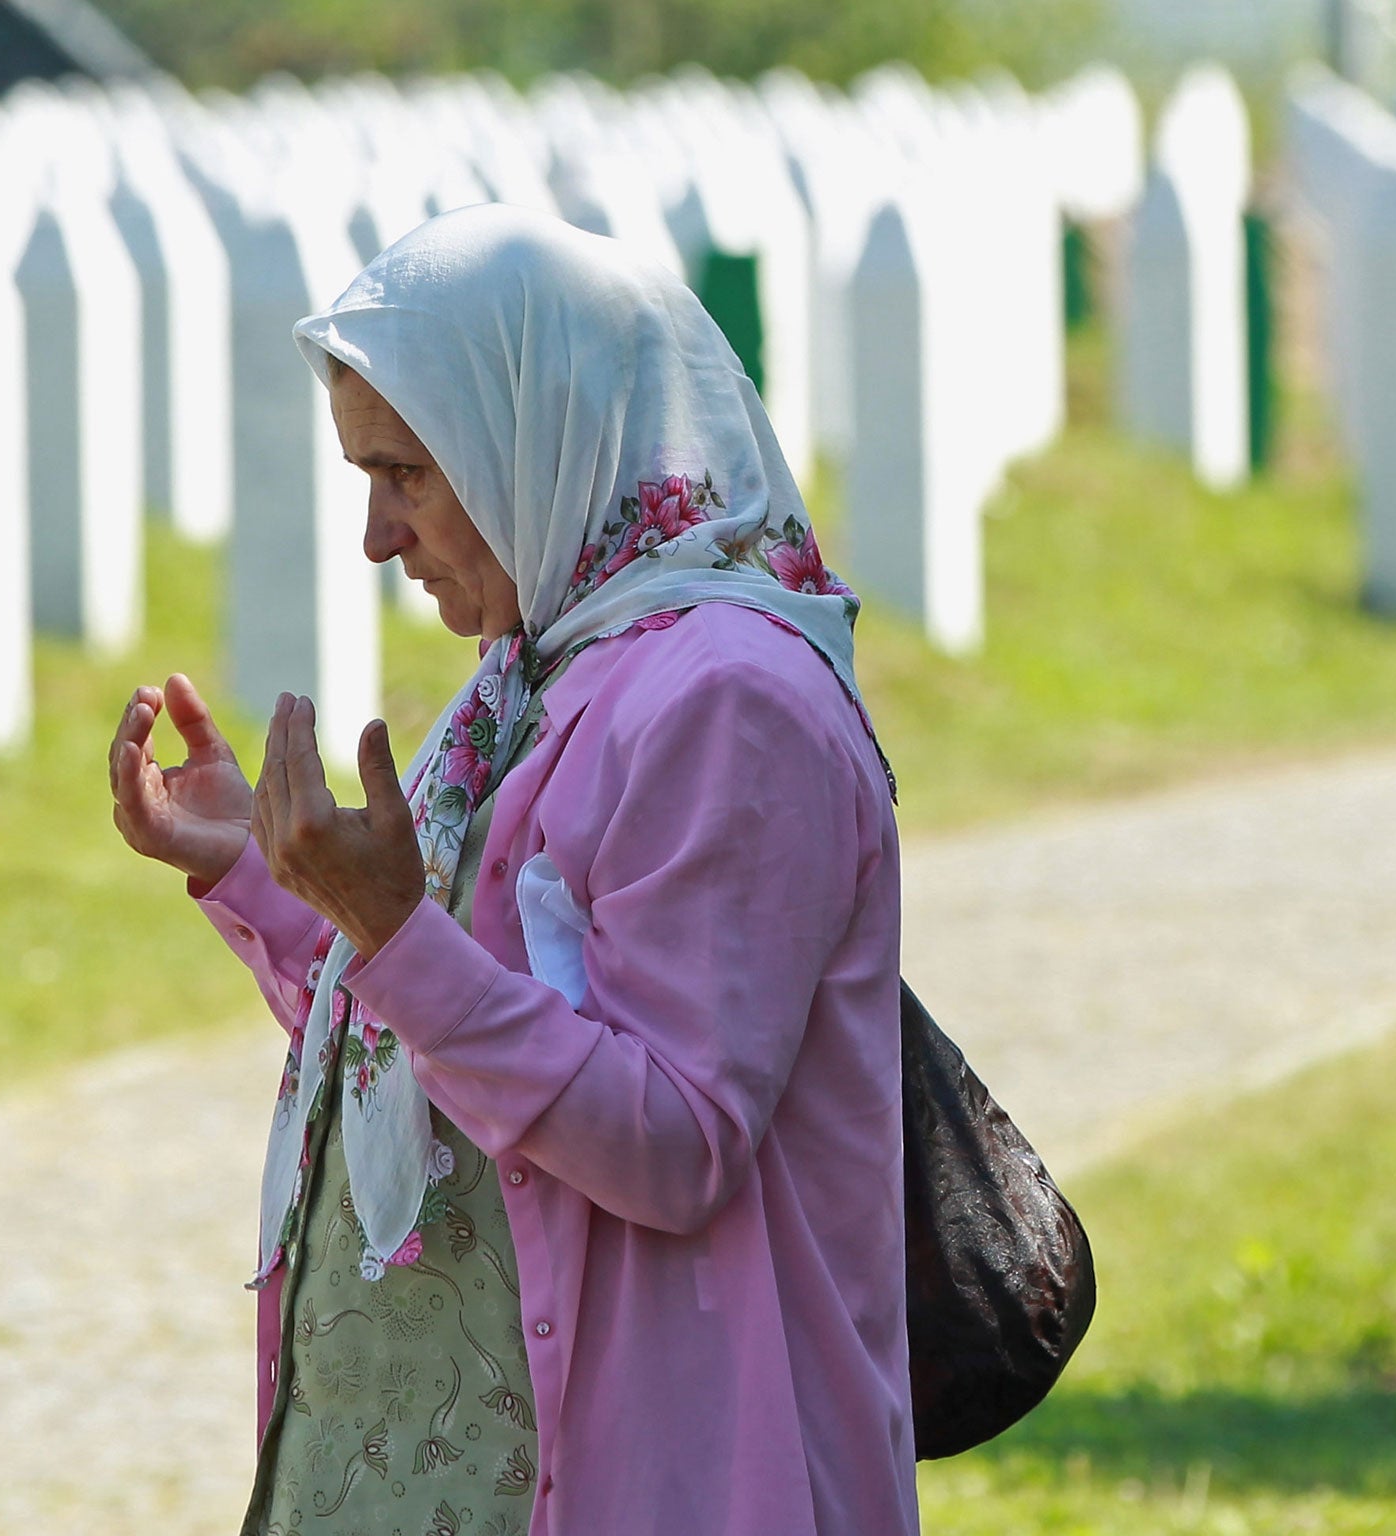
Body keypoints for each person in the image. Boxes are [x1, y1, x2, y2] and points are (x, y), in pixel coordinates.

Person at [107, 205, 918, 1535]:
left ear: (535, 432)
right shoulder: (544, 676)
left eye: (408, 475)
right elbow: (444, 1053)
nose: (377, 536)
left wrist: (392, 935)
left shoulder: (725, 702)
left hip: (671, 1465)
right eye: (366, 477)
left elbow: (673, 1142)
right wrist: (266, 873)